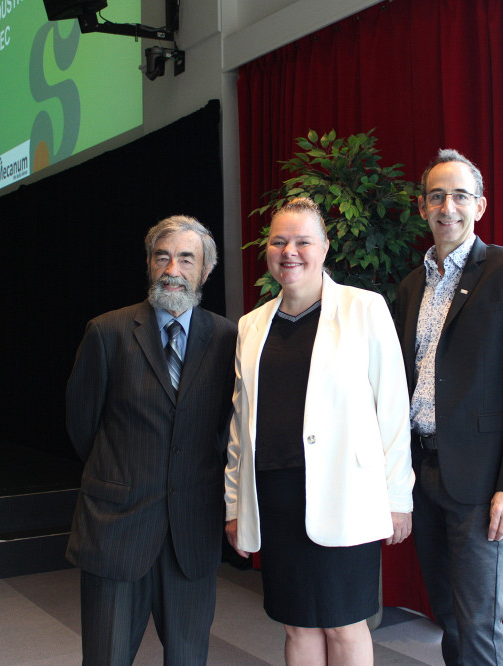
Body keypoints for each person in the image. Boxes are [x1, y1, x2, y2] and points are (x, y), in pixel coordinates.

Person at [224, 197, 414, 665]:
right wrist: (234, 503)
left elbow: (391, 409)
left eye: (303, 241)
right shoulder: (251, 326)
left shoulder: (363, 309)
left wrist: (398, 499)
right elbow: (238, 426)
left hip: (344, 494)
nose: (290, 251)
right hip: (276, 496)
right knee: (296, 624)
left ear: (325, 247)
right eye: (279, 241)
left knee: (345, 624)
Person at [394, 149, 503, 665]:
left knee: (479, 625)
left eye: (460, 195)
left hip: (482, 482)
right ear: (422, 207)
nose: (448, 206)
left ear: (480, 206)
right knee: (449, 618)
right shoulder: (411, 286)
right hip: (423, 471)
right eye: (436, 196)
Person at [65, 215, 237, 665]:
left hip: (191, 531)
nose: (172, 270)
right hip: (117, 528)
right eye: (163, 257)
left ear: (205, 271)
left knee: (188, 658)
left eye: (186, 258)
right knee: (107, 657)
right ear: (148, 264)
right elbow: (82, 425)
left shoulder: (227, 338)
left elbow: (225, 428)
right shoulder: (107, 332)